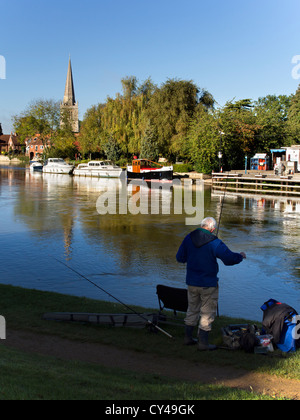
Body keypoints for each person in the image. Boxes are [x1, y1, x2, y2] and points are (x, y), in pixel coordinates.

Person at [176, 217, 246, 351]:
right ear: (213, 229)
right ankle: (203, 343)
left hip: (191, 282)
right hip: (208, 283)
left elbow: (180, 258)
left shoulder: (188, 238)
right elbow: (229, 259)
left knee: (192, 310)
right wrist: (240, 256)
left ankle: (188, 338)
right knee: (207, 313)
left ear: (202, 225)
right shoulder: (214, 242)